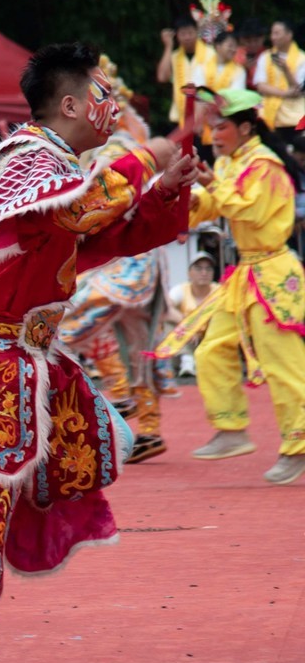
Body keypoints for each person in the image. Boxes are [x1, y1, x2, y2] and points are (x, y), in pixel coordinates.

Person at [0, 42, 197, 663]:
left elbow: (94, 240)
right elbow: (76, 209)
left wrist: (162, 192)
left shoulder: (56, 167)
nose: (110, 103)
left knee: (0, 505)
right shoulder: (23, 162)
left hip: (22, 364)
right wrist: (144, 156)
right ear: (71, 105)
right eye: (99, 92)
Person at [179, 88, 305, 485]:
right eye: (212, 127)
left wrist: (211, 182)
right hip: (246, 275)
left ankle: (298, 447)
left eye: (222, 127)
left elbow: (247, 208)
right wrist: (185, 193)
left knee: (284, 367)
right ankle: (232, 427)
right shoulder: (233, 164)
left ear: (246, 127)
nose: (214, 134)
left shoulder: (264, 165)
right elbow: (213, 205)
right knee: (211, 349)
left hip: (272, 273)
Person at [58, 55, 179, 464]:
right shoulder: (102, 145)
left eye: (111, 100)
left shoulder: (122, 145)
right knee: (135, 340)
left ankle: (111, 405)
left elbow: (107, 197)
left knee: (69, 323)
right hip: (124, 254)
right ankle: (146, 424)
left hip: (129, 260)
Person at [161, 251, 220, 375]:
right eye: (198, 269)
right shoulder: (181, 289)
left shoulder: (219, 290)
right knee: (168, 320)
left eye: (208, 269)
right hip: (186, 342)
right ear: (189, 273)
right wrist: (188, 326)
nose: (204, 273)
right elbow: (165, 309)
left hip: (211, 342)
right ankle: (187, 359)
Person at [158, 15, 217, 128]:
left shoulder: (211, 54)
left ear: (197, 32)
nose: (187, 37)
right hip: (180, 117)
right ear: (177, 36)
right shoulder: (175, 56)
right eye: (183, 34)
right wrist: (168, 46)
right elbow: (162, 77)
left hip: (205, 118)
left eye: (190, 33)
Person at [252, 21, 305, 143]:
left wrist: (286, 70)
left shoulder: (303, 58)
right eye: (272, 33)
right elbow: (260, 85)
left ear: (289, 35)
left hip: (294, 117)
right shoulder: (265, 56)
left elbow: (299, 89)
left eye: (277, 33)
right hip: (269, 116)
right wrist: (284, 94)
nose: (272, 37)